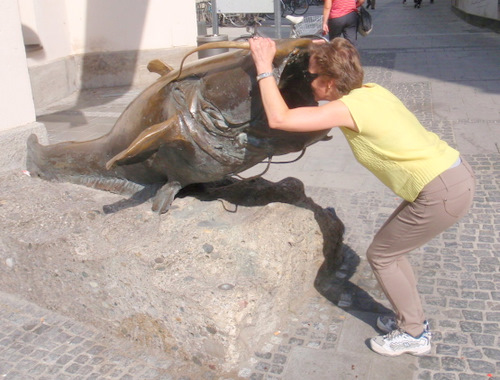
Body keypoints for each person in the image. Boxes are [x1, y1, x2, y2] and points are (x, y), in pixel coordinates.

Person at [248, 36, 476, 356]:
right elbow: (337, 56)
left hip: (440, 191)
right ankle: (411, 321)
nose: (307, 81)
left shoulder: (348, 108)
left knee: (382, 256)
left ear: (328, 83)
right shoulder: (371, 92)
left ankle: (414, 334)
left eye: (311, 76)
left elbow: (280, 119)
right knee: (392, 253)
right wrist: (322, 46)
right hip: (450, 175)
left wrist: (262, 65)